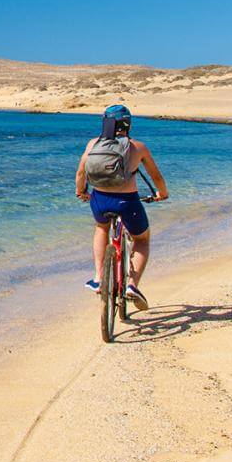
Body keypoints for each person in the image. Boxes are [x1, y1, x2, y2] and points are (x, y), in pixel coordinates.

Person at [75, 104, 169, 310]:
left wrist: (81, 192)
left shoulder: (93, 144)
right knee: (142, 240)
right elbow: (156, 176)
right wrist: (162, 193)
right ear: (128, 124)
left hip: (99, 200)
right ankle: (132, 286)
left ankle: (99, 277)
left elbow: (81, 173)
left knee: (101, 228)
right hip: (127, 203)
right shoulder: (138, 147)